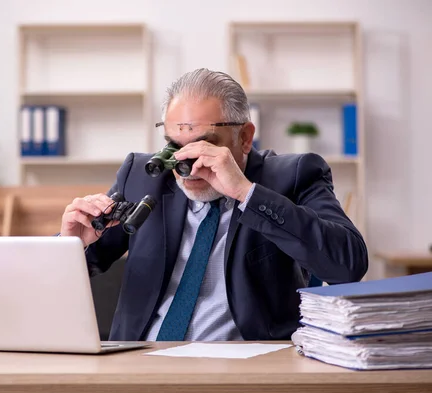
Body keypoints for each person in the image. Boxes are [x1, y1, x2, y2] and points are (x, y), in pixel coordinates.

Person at [60, 68, 368, 342]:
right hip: (141, 364)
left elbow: (347, 266)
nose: (187, 166)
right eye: (175, 147)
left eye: (203, 146)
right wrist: (70, 245)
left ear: (245, 138)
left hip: (243, 372)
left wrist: (247, 193)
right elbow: (78, 271)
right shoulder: (144, 176)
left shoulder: (295, 175)